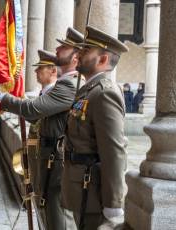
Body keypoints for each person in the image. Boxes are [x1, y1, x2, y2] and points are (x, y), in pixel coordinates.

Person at [0, 27, 85, 230]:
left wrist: (0, 96)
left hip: (56, 159)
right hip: (48, 156)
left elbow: (32, 109)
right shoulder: (66, 84)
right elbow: (36, 116)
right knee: (46, 209)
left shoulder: (69, 85)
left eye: (64, 47)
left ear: (76, 57)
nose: (58, 48)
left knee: (56, 215)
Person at [61, 25, 129, 230]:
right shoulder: (88, 91)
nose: (78, 54)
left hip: (91, 192)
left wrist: (113, 203)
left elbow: (114, 151)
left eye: (86, 51)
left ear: (103, 60)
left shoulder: (104, 93)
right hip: (80, 186)